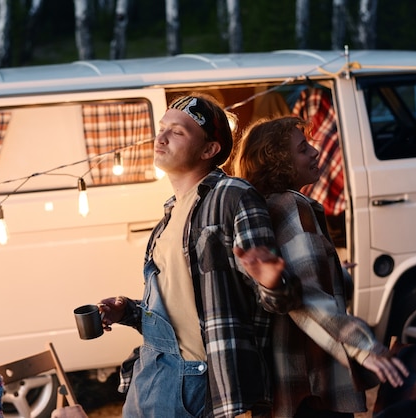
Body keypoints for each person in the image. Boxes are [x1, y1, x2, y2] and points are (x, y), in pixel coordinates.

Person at [98, 93, 300, 417]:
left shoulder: (234, 196)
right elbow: (179, 312)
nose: (160, 137)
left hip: (192, 379)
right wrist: (128, 311)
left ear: (209, 150)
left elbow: (279, 300)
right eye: (162, 128)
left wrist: (274, 282)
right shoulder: (168, 216)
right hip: (149, 370)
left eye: (178, 132)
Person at [233, 116, 409, 418]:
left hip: (285, 384)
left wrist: (335, 272)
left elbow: (297, 284)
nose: (315, 152)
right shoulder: (292, 205)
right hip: (313, 383)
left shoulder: (265, 207)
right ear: (278, 162)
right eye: (303, 149)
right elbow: (310, 299)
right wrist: (364, 347)